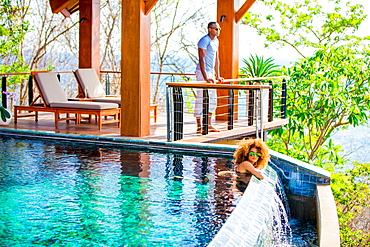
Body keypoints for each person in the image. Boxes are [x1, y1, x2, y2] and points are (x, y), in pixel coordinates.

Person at [194, 21, 224, 134]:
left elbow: (217, 59)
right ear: (210, 29)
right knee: (201, 97)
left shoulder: (216, 41)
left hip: (211, 72)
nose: (218, 31)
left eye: (219, 29)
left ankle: (209, 124)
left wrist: (218, 75)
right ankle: (199, 126)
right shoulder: (204, 40)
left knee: (212, 98)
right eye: (216, 29)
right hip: (203, 72)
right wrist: (205, 77)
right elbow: (202, 59)